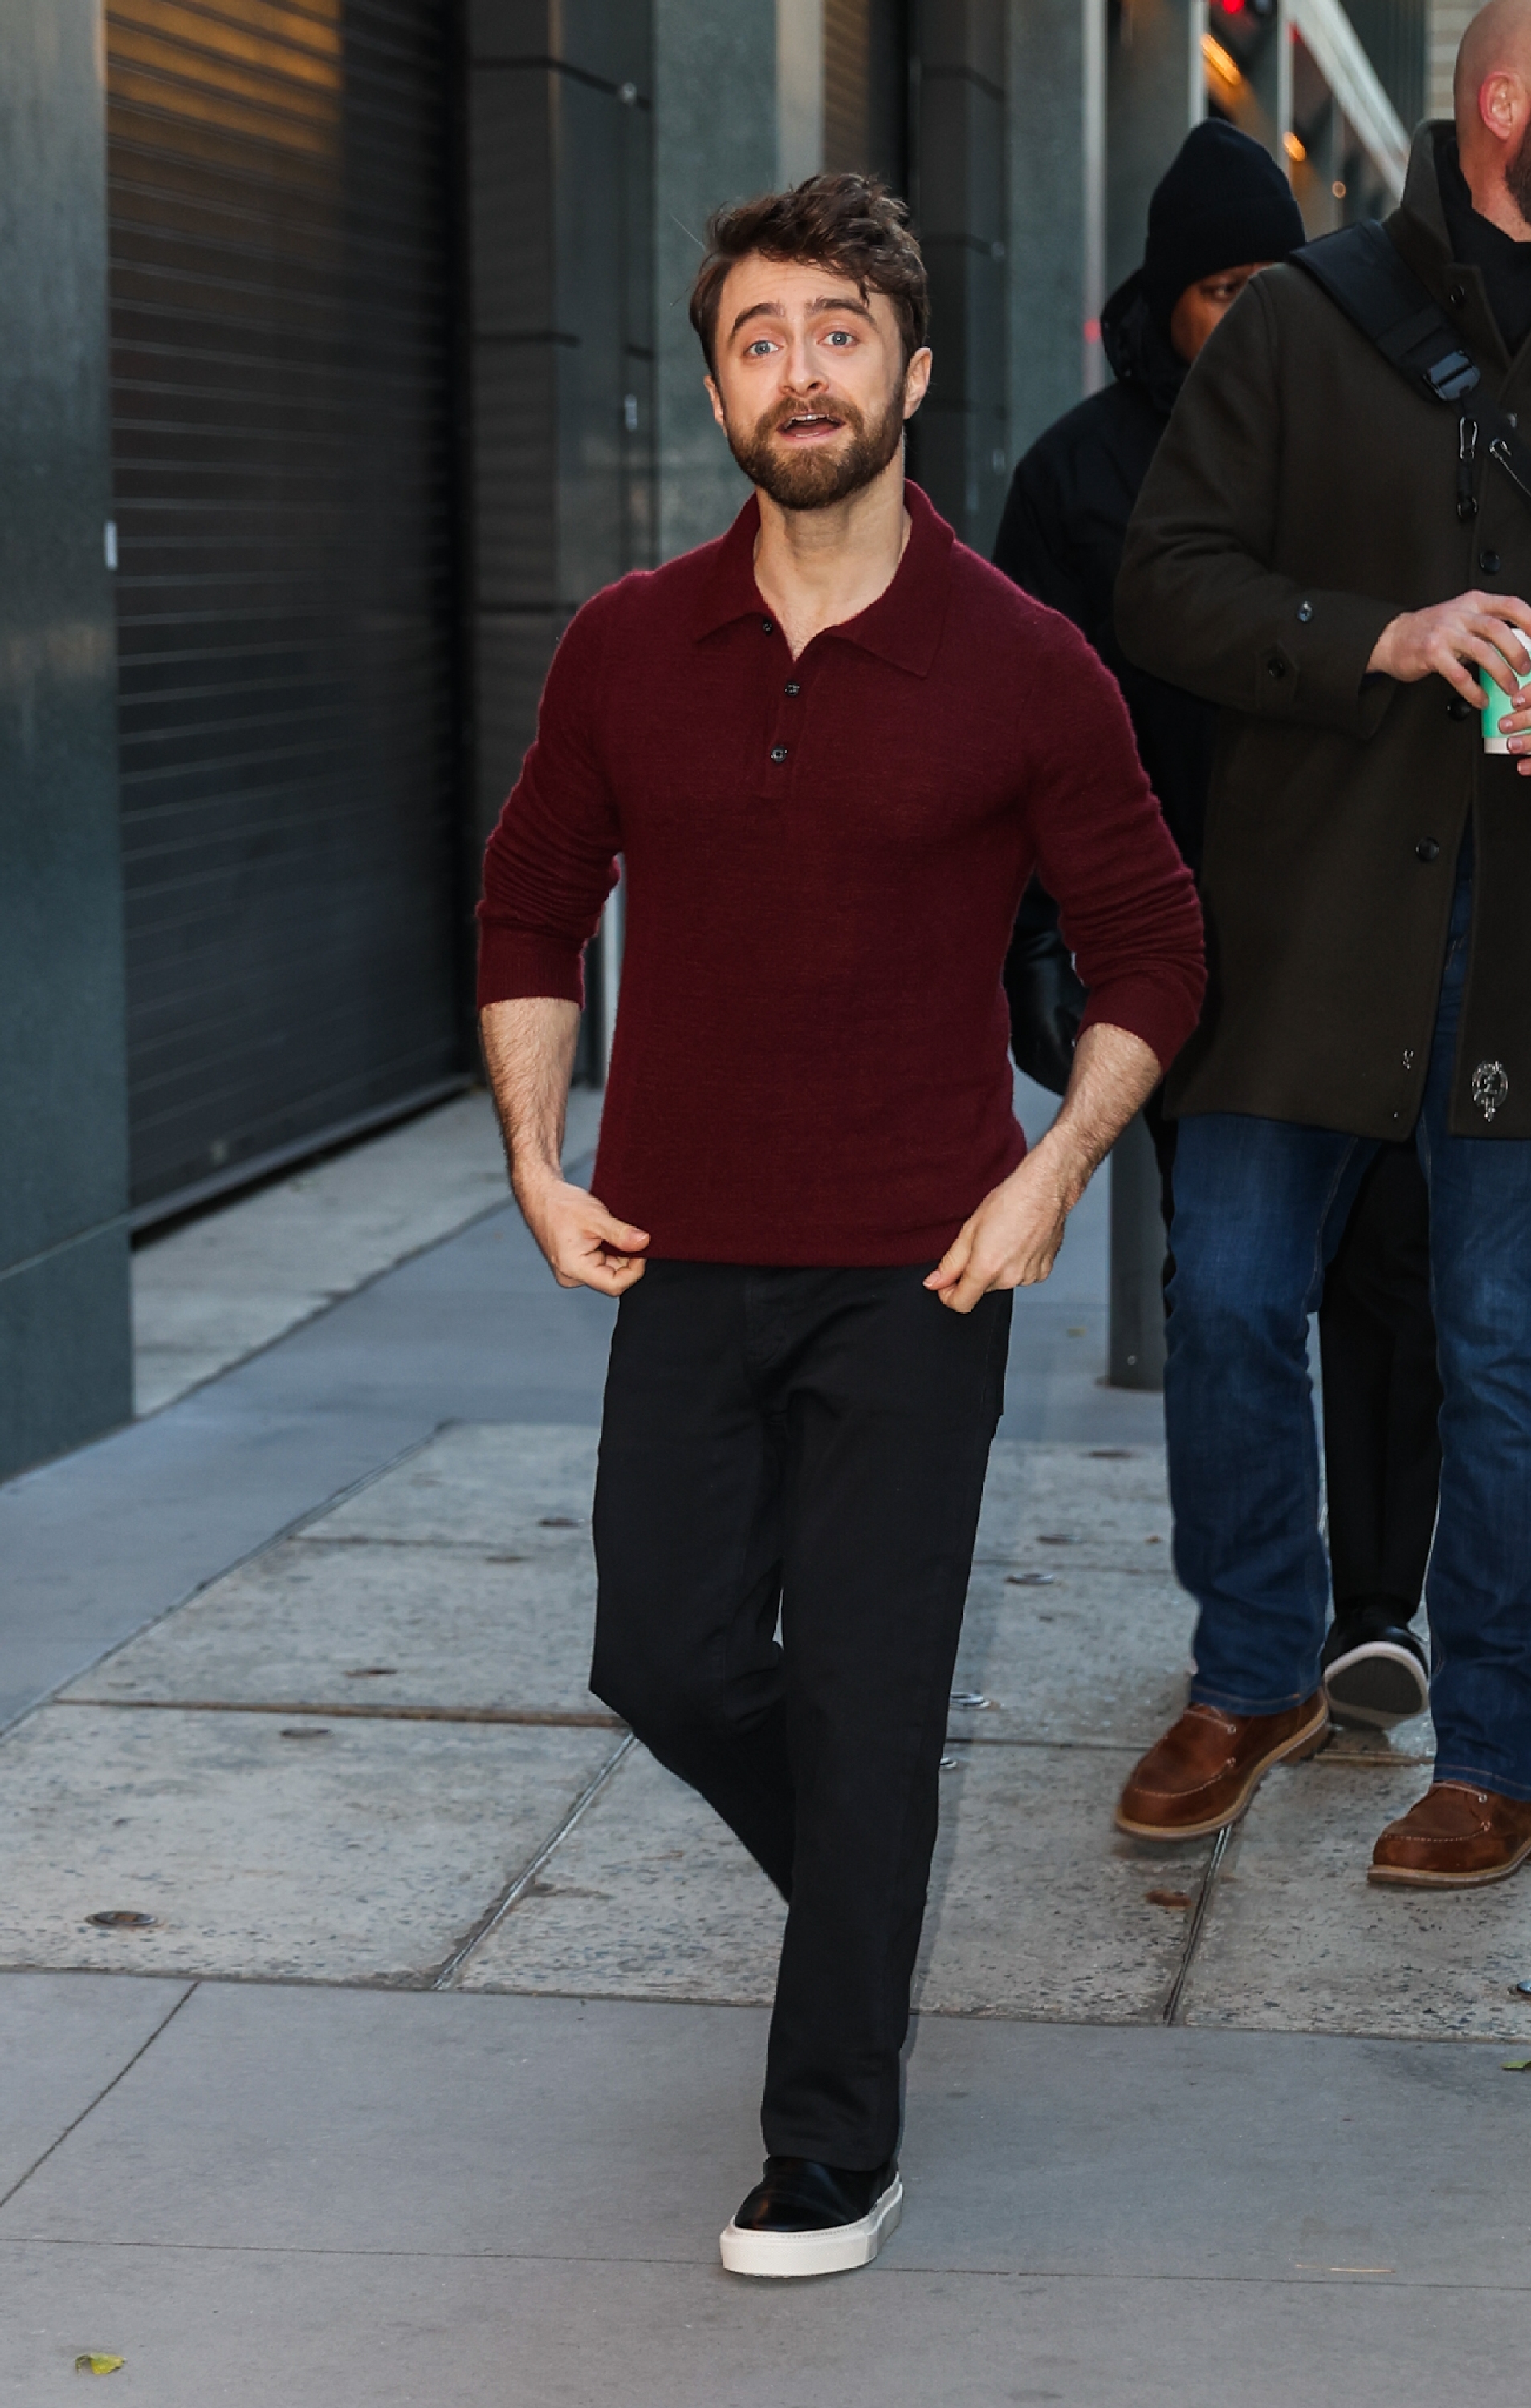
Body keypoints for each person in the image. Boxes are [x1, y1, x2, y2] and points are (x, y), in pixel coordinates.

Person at [476, 172, 1203, 2277]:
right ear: (715, 380)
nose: (799, 371)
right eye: (757, 337)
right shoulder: (628, 645)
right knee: (664, 1653)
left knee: (867, 1696)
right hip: (682, 1252)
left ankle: (830, 2140)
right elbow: (531, 898)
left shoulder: (1024, 665)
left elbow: (1153, 943)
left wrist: (1051, 1162)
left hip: (920, 1257)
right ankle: (863, 1915)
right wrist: (538, 1156)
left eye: (835, 331)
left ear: (907, 364)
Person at [1112, 0, 1531, 1886]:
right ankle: (1257, 1666)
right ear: (1510, 100)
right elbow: (1166, 587)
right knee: (1226, 1301)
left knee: (1503, 1349)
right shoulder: (1302, 317)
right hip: (1309, 923)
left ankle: (1500, 1752)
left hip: (1521, 943)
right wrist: (1379, 634)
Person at [995, 120, 1440, 1732]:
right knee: (1229, 1296)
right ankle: (1257, 1609)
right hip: (1186, 955)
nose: (1248, 314)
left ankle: (1377, 1612)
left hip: (1367, 930)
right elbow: (1022, 738)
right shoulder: (1074, 477)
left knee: (1391, 1276)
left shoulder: (1366, 438)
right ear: (1164, 302)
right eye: (1218, 289)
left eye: (1272, 283)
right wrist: (1040, 939)